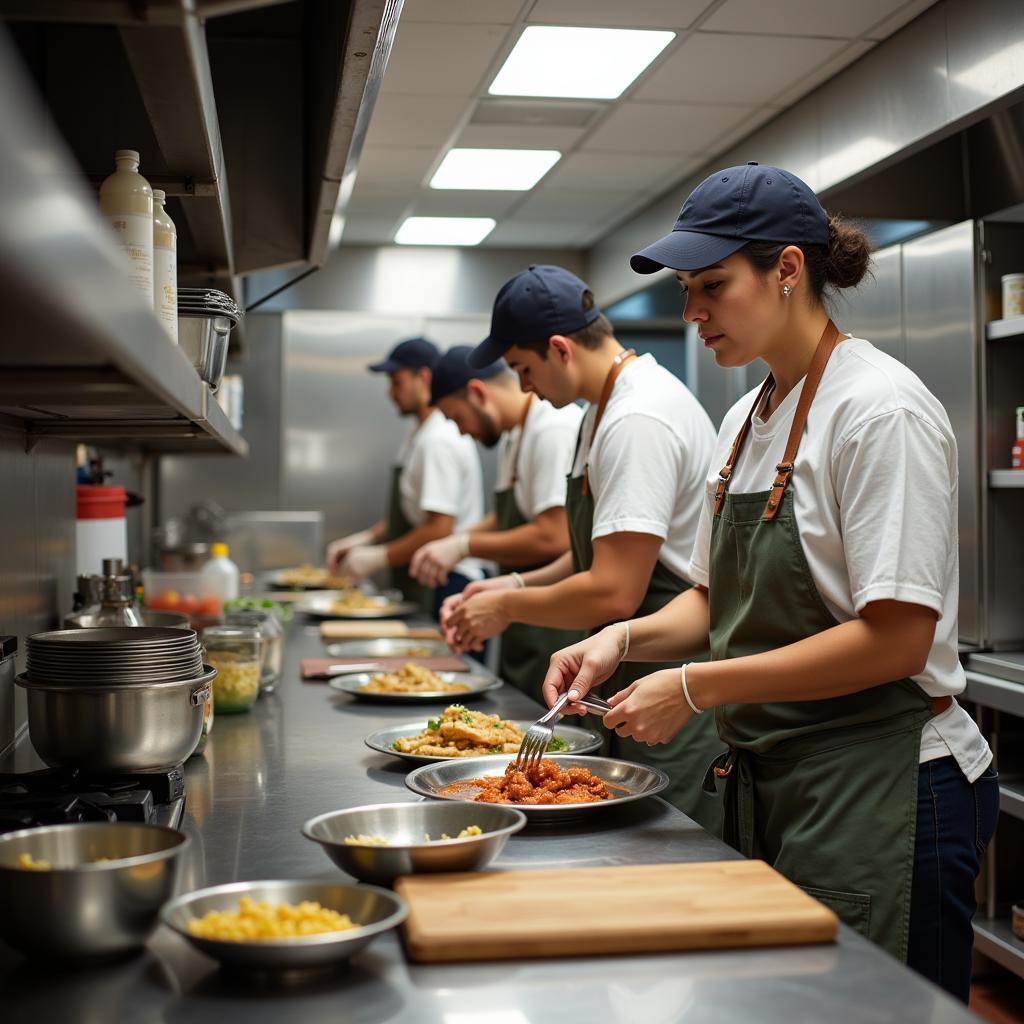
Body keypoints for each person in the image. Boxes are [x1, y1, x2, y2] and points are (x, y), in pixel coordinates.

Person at [540, 163, 998, 1001]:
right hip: (788, 781)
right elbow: (716, 600)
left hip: (886, 786)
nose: (692, 313)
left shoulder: (877, 411)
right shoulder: (745, 417)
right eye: (686, 289)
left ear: (789, 270)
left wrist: (695, 686)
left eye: (712, 285)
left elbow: (895, 638)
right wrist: (622, 640)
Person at [442, 265, 725, 831]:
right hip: (627, 678)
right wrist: (515, 583)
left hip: (669, 685)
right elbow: (596, 549)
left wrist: (506, 607)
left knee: (667, 861)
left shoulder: (637, 416)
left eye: (523, 369)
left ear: (559, 349)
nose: (522, 387)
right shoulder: (602, 412)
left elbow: (614, 589)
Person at [410, 345, 583, 702]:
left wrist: (462, 546)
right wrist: (456, 539)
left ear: (478, 392)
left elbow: (553, 535)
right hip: (524, 620)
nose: (460, 432)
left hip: (557, 627)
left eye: (457, 418)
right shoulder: (515, 435)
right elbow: (505, 518)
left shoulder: (551, 429)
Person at [326, 336, 485, 616]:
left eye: (396, 382)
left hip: (447, 579)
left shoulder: (438, 439)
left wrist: (380, 557)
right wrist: (366, 539)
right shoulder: (419, 434)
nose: (390, 392)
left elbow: (438, 528)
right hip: (428, 574)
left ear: (423, 377)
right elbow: (413, 514)